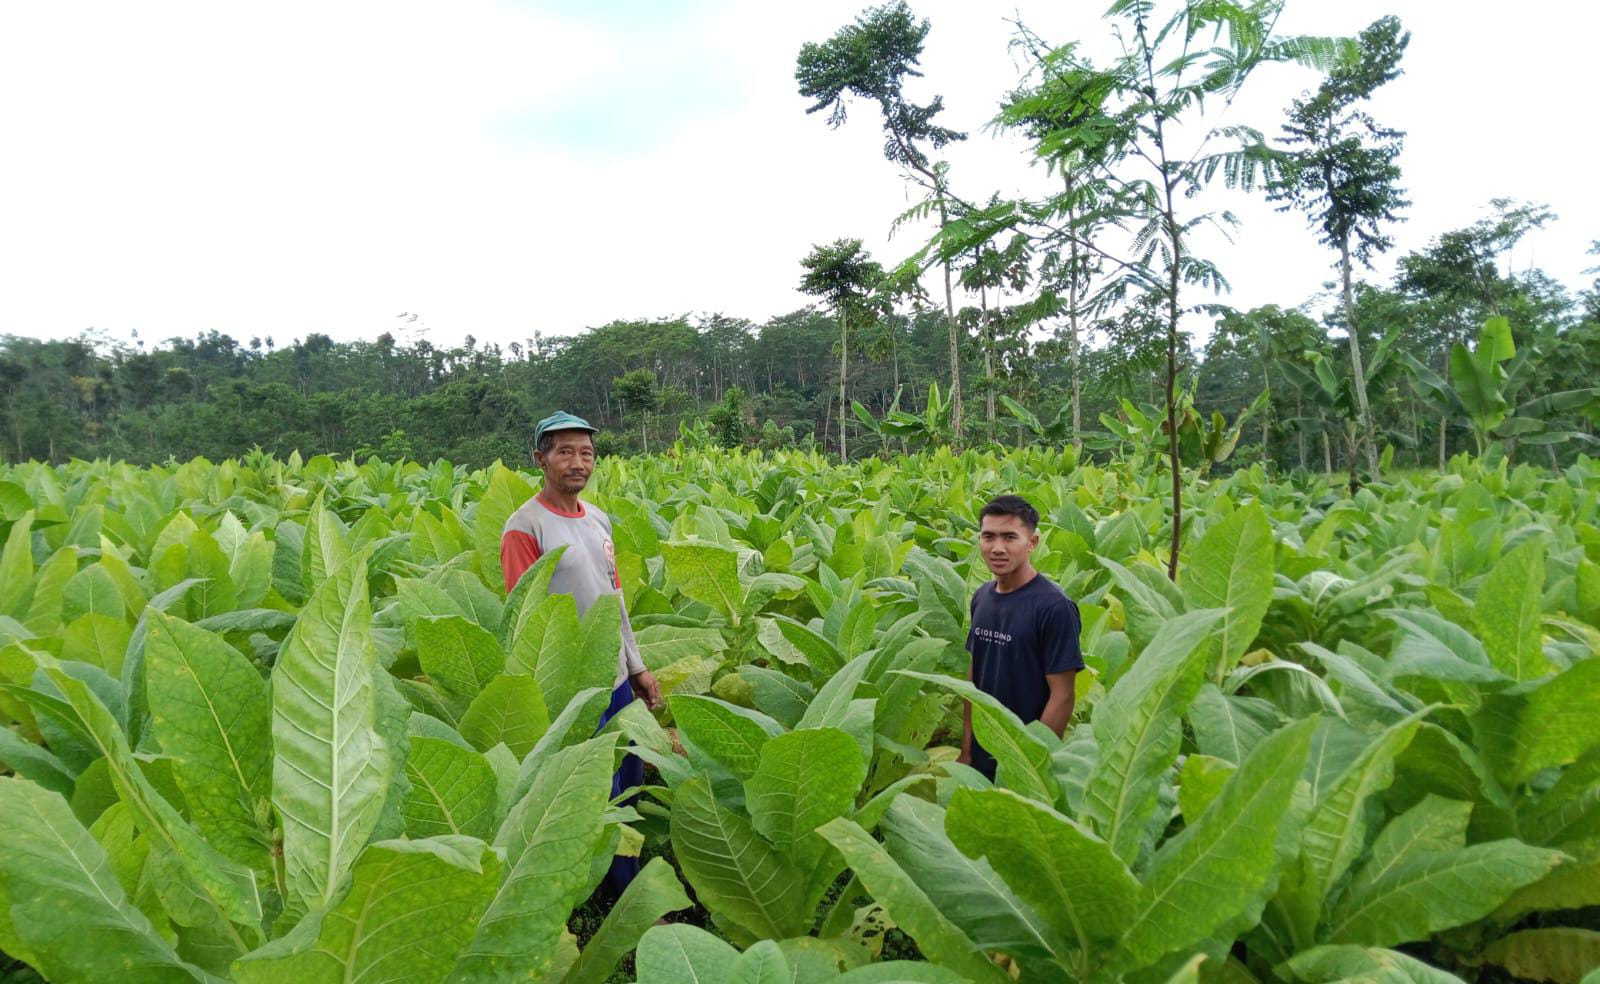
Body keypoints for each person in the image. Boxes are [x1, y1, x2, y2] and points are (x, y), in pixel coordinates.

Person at [499, 410, 661, 894]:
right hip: (572, 686)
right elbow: (526, 619)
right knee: (593, 790)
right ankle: (613, 896)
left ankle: (626, 880)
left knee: (629, 779)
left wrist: (637, 665)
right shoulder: (525, 527)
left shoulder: (598, 519)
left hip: (616, 678)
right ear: (540, 459)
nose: (578, 463)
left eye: (586, 453)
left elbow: (615, 599)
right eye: (565, 452)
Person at [957, 494, 1083, 781]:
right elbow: (974, 676)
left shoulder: (1054, 606)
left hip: (1024, 759)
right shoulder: (982, 597)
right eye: (988, 536)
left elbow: (1063, 695)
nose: (997, 548)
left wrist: (1031, 767)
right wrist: (967, 748)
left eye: (1010, 537)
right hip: (982, 753)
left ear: (1032, 542)